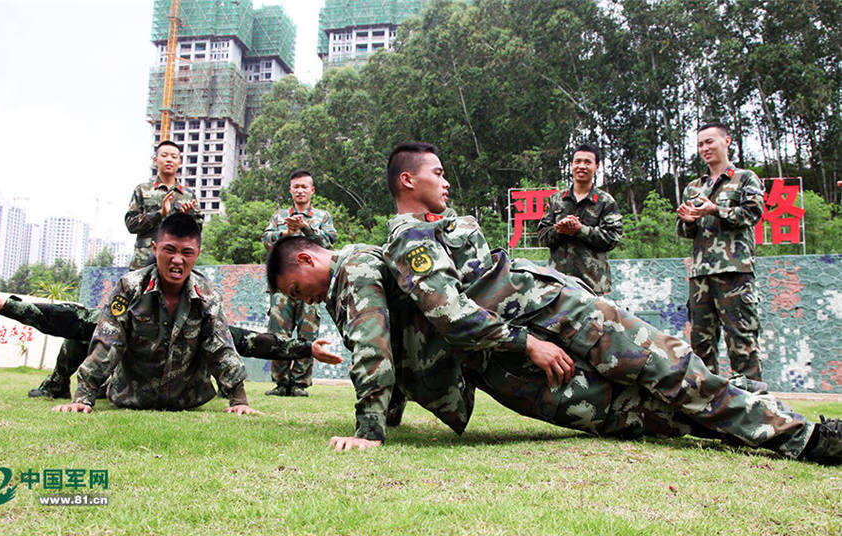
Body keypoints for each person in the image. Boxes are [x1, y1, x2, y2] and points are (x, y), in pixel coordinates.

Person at [265, 142, 841, 465]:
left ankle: (799, 436)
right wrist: (528, 345)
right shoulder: (407, 238)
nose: (446, 181)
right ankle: (778, 431)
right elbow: (444, 315)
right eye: (436, 174)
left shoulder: (414, 238)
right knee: (637, 411)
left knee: (668, 368)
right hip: (532, 330)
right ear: (408, 182)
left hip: (549, 313)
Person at [0, 282, 343, 399]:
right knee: (83, 330)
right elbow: (64, 316)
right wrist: (6, 306)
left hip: (181, 396)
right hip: (127, 390)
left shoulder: (201, 315)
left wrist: (305, 348)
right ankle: (56, 384)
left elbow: (247, 341)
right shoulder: (126, 309)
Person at [47, 213, 249, 414]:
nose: (177, 260)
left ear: (197, 254)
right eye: (169, 250)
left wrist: (239, 401)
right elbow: (108, 342)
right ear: (155, 248)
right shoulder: (129, 287)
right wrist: (83, 398)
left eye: (187, 252)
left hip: (186, 401)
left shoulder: (209, 296)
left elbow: (220, 346)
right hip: (131, 397)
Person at [676, 122, 764, 381]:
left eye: (710, 142)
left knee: (741, 338)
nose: (705, 148)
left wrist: (715, 210)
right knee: (701, 342)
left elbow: (752, 214)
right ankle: (707, 400)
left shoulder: (745, 178)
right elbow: (683, 229)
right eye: (700, 144)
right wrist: (688, 220)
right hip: (700, 274)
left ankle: (751, 399)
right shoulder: (694, 187)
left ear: (726, 141)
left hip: (734, 271)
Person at [261, 169, 337, 397]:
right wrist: (286, 232)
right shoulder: (279, 216)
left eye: (304, 187)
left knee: (308, 333)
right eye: (296, 187)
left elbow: (329, 243)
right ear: (290, 190)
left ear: (312, 190)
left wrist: (305, 228)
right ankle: (281, 382)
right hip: (283, 285)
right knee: (278, 333)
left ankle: (300, 383)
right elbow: (266, 240)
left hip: (311, 285)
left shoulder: (322, 217)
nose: (300, 191)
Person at [537, 144, 622, 295]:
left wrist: (580, 230)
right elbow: (542, 237)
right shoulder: (556, 200)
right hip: (558, 285)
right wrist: (559, 230)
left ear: (596, 167)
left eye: (587, 162)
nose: (582, 166)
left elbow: (612, 238)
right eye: (578, 161)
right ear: (571, 165)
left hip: (593, 286)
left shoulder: (605, 201)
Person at [125, 140, 204, 269]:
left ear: (179, 162)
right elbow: (131, 224)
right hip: (144, 262)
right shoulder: (143, 190)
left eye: (174, 157)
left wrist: (187, 217)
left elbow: (197, 231)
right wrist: (159, 214)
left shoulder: (188, 195)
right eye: (164, 155)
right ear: (156, 160)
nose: (169, 160)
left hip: (176, 262)